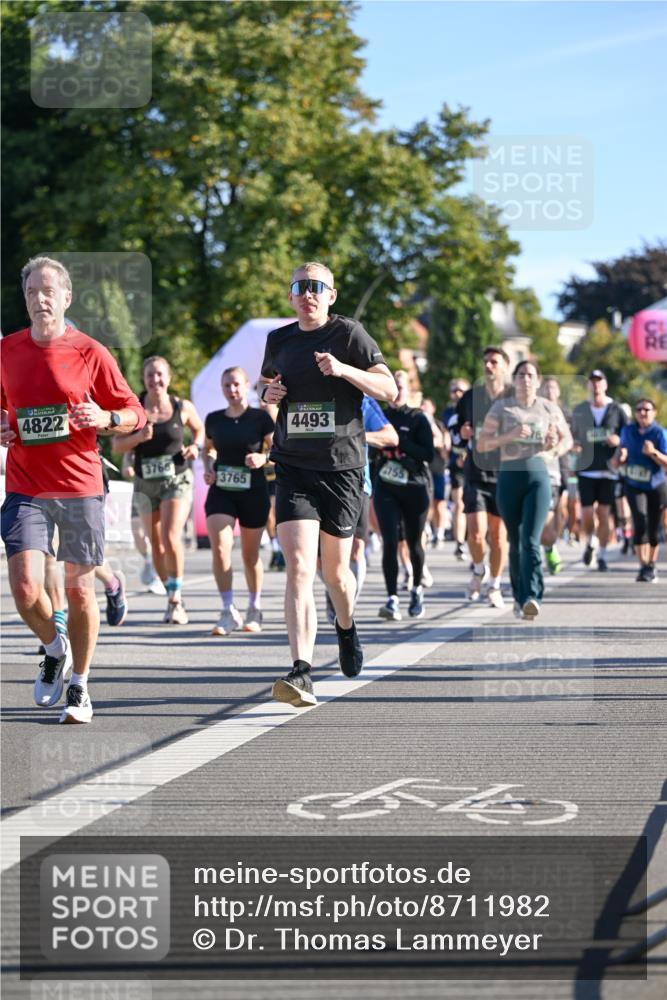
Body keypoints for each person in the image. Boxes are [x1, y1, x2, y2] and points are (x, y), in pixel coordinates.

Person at [0, 255, 145, 724]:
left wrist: (107, 419)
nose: (39, 299)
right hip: (26, 484)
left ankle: (80, 685)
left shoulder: (91, 352)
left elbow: (134, 411)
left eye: (48, 291)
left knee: (79, 591)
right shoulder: (7, 351)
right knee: (25, 590)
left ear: (65, 297)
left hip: (80, 485)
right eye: (31, 293)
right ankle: (53, 647)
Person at [259, 261, 396, 707]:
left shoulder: (350, 335)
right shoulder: (278, 340)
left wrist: (343, 370)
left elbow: (389, 390)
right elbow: (270, 392)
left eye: (316, 286)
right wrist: (269, 397)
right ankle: (301, 670)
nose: (307, 293)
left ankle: (346, 626)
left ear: (331, 295)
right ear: (291, 295)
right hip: (293, 464)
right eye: (299, 286)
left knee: (334, 574)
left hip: (341, 468)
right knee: (298, 564)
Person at [113, 356, 204, 624]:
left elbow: (199, 430)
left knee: (170, 534)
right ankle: (171, 592)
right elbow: (118, 445)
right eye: (150, 375)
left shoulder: (181, 406)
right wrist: (138, 438)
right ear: (143, 380)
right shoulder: (135, 410)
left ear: (169, 377)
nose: (155, 380)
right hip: (145, 483)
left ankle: (176, 599)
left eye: (160, 374)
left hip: (176, 479)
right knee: (157, 544)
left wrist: (195, 446)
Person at [478, 360, 572, 619]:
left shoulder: (549, 409)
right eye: (521, 375)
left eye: (530, 375)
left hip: (539, 475)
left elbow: (568, 440)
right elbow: (483, 444)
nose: (526, 380)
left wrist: (553, 447)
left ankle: (533, 595)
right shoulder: (501, 407)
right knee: (516, 542)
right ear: (514, 379)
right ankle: (519, 597)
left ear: (538, 381)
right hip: (509, 476)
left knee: (531, 540)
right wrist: (510, 435)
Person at [203, 366, 274, 634]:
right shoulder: (214, 419)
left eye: (236, 384)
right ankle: (227, 609)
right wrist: (209, 466)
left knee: (249, 555)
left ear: (246, 386)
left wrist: (262, 458)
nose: (231, 390)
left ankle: (254, 608)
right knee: (221, 549)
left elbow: (278, 448)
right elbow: (208, 448)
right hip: (221, 490)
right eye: (226, 386)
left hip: (253, 491)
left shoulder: (261, 418)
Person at [324, 394, 399, 625]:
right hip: (317, 483)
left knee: (356, 547)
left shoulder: (363, 400)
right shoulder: (310, 392)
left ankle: (346, 603)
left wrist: (356, 435)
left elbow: (391, 436)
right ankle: (334, 590)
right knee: (321, 557)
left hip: (355, 483)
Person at [375, 370, 434, 620]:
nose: (397, 391)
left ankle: (417, 589)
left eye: (400, 386)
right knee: (389, 541)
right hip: (387, 485)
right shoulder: (380, 417)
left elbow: (428, 454)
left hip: (415, 486)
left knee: (413, 542)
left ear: (408, 390)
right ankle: (392, 599)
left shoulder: (418, 418)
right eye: (393, 386)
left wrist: (399, 443)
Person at [455, 347, 510, 608]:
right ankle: (479, 569)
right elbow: (455, 433)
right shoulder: (470, 398)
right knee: (476, 534)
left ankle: (495, 585)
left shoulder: (514, 399)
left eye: (494, 362)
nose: (488, 366)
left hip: (505, 475)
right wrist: (462, 435)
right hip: (475, 473)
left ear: (504, 368)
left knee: (499, 538)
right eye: (486, 361)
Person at [571, 370, 626, 572]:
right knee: (586, 514)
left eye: (599, 381)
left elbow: (627, 437)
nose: (596, 385)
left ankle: (601, 554)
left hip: (608, 470)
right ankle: (590, 542)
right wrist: (574, 446)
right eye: (592, 382)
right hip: (586, 469)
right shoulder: (580, 410)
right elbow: (572, 435)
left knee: (603, 514)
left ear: (605, 384)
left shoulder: (616, 410)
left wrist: (619, 442)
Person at [612, 399, 667, 582]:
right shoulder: (628, 430)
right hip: (633, 483)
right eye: (639, 409)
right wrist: (621, 457)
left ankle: (652, 564)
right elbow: (616, 461)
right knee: (639, 521)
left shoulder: (660, 433)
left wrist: (653, 453)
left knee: (653, 527)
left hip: (656, 484)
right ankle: (643, 565)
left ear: (654, 412)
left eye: (647, 409)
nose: (642, 412)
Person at [442, 378, 470, 560]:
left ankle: (473, 539)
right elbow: (446, 432)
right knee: (458, 502)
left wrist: (466, 453)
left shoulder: (472, 409)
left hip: (474, 463)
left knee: (473, 504)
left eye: (460, 390)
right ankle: (460, 543)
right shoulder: (447, 412)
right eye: (453, 391)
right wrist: (446, 450)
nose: (457, 394)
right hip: (455, 463)